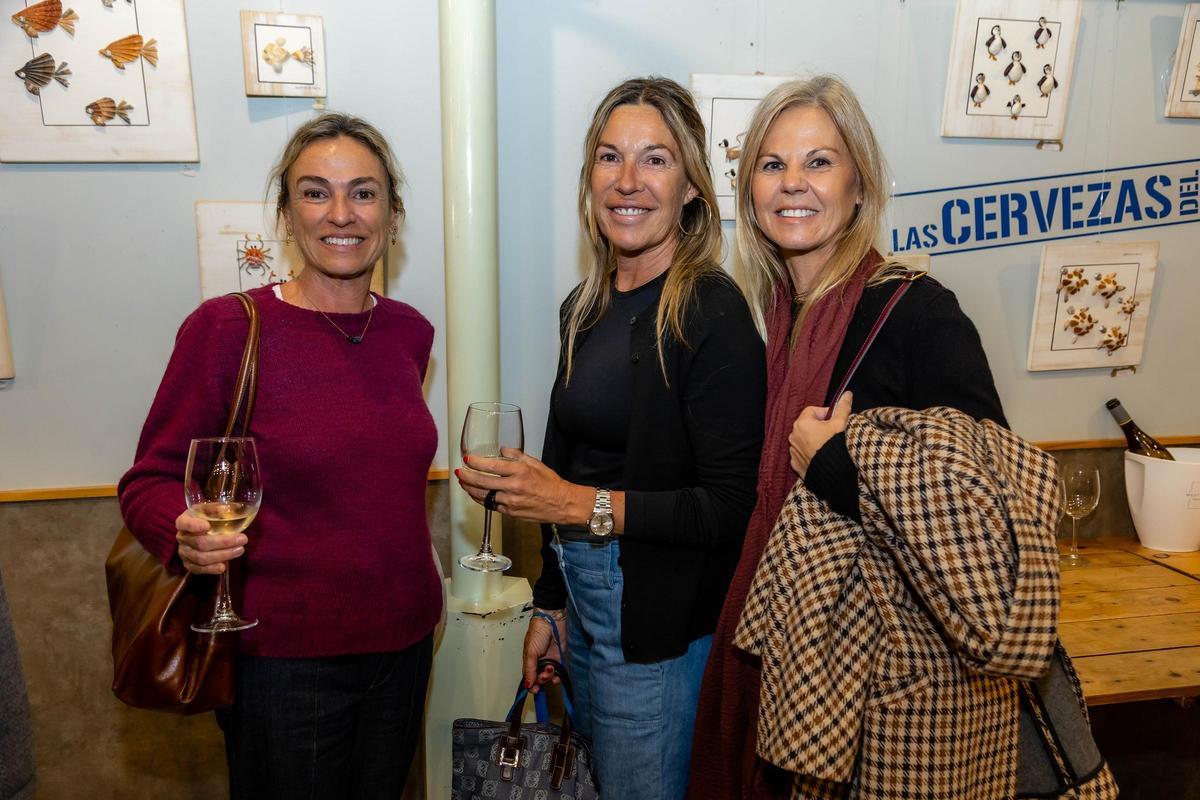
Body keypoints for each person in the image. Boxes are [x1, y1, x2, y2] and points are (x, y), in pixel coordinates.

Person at [689, 75, 1016, 798]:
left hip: (885, 688)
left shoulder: (918, 314)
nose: (793, 184)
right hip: (786, 652)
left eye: (819, 161)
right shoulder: (766, 319)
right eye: (772, 165)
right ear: (750, 193)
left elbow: (993, 518)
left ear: (859, 185)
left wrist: (834, 465)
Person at [456, 76, 765, 799]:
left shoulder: (711, 311)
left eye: (655, 160)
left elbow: (727, 507)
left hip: (655, 626)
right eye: (608, 157)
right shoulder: (585, 307)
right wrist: (551, 608)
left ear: (692, 186)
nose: (627, 181)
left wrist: (575, 506)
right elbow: (571, 459)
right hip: (587, 611)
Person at [118, 113, 441, 798]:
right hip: (282, 659)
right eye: (316, 192)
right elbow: (149, 478)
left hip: (404, 643)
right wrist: (184, 533)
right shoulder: (226, 329)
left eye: (364, 192)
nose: (341, 214)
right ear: (287, 214)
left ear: (391, 212)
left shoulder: (409, 333)